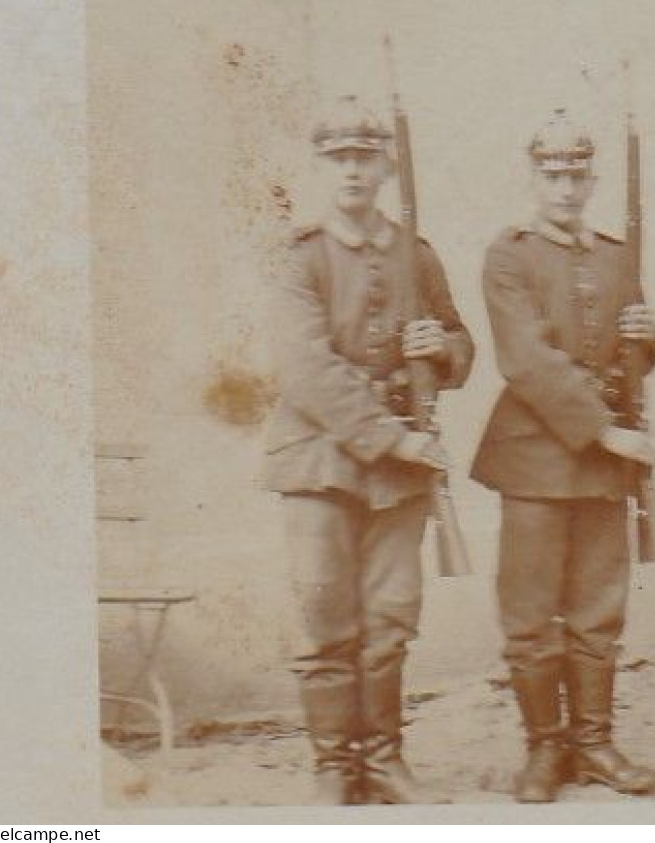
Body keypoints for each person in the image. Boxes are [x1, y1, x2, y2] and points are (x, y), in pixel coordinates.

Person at [264, 95, 475, 804]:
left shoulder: (416, 253)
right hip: (321, 462)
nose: (352, 171)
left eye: (364, 157)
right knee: (325, 616)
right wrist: (395, 437)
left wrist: (439, 350)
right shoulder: (299, 256)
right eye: (337, 159)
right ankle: (334, 765)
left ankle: (382, 759)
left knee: (389, 618)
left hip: (400, 474)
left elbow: (461, 339)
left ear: (386, 165)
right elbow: (306, 370)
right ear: (320, 168)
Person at [470, 109, 655, 803]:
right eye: (551, 174)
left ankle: (594, 742)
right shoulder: (509, 254)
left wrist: (647, 338)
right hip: (533, 459)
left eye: (576, 174)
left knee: (598, 610)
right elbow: (526, 358)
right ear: (532, 176)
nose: (564, 187)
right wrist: (605, 430)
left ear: (592, 178)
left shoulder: (615, 255)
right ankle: (543, 750)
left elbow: (629, 353)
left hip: (600, 465)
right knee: (530, 614)